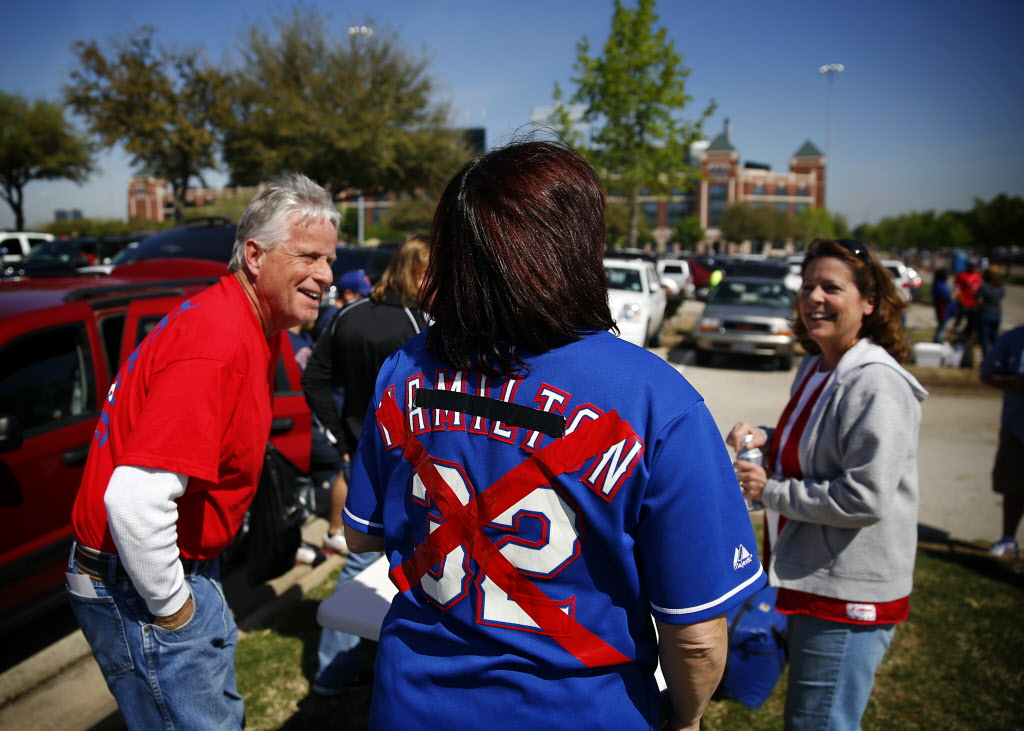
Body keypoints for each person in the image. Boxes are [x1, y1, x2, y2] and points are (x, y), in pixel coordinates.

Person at [343, 141, 766, 729]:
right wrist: (687, 718)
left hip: (410, 704)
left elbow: (361, 535)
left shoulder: (406, 369)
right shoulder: (656, 400)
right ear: (577, 246)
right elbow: (695, 636)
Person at [67, 174, 339, 729]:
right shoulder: (218, 341)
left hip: (168, 566)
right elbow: (135, 502)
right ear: (255, 255)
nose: (327, 276)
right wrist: (178, 614)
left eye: (329, 260)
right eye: (308, 256)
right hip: (139, 578)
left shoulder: (250, 322)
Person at [729, 237, 928, 731]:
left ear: (869, 303)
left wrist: (768, 489)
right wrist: (768, 438)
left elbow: (865, 496)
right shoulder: (818, 366)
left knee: (819, 723)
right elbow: (820, 446)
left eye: (831, 287)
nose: (814, 297)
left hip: (848, 594)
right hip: (814, 576)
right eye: (808, 285)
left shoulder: (877, 383)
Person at [302, 234, 430, 695]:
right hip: (406, 461)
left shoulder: (348, 315)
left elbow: (314, 377)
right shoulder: (420, 326)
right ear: (421, 273)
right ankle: (350, 667)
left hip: (360, 450)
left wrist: (340, 433)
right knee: (410, 557)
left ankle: (339, 667)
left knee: (362, 558)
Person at [980, 324, 1024, 558]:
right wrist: (1014, 383)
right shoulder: (1013, 338)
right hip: (1017, 427)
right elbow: (987, 374)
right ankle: (1008, 538)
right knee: (1014, 487)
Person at [976, 267, 1006, 357]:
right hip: (997, 313)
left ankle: (986, 357)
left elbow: (979, 301)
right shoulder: (1001, 287)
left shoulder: (984, 286)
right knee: (994, 338)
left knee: (984, 338)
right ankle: (996, 356)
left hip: (985, 313)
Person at [954, 260, 982, 342]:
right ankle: (956, 333)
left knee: (972, 322)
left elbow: (979, 287)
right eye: (970, 266)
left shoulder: (977, 274)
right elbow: (957, 287)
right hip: (964, 302)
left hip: (974, 303)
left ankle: (967, 336)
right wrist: (959, 298)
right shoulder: (962, 275)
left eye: (973, 266)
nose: (972, 267)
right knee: (960, 319)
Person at [931, 267, 954, 343]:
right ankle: (937, 342)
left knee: (942, 327)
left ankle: (937, 341)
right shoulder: (939, 285)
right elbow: (948, 297)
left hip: (945, 311)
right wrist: (956, 293)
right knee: (941, 329)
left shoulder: (940, 284)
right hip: (943, 311)